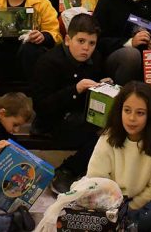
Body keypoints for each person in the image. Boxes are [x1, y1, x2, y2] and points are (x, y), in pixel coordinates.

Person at [31, 13, 108, 194]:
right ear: (67, 39)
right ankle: (67, 170)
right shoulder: (48, 62)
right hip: (52, 121)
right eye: (80, 41)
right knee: (101, 134)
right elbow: (41, 107)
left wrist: (104, 87)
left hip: (83, 114)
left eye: (91, 43)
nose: (86, 48)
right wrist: (75, 90)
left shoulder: (96, 59)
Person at [87, 81, 151, 231]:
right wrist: (114, 209)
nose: (131, 118)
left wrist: (130, 208)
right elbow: (96, 178)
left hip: (142, 205)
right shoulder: (108, 137)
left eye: (140, 113)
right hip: (110, 203)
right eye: (127, 110)